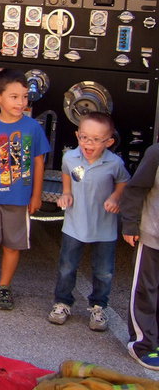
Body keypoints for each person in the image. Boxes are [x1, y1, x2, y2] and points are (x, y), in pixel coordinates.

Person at [0, 68, 49, 310]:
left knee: (13, 245)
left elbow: (38, 162)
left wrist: (36, 195)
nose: (21, 102)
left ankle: (4, 286)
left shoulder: (33, 128)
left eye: (25, 96)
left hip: (20, 198)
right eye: (14, 97)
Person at [47, 111, 129, 331]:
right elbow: (66, 173)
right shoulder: (70, 157)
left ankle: (98, 306)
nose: (88, 143)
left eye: (95, 139)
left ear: (109, 142)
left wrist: (115, 197)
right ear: (77, 135)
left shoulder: (114, 163)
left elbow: (123, 182)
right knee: (67, 266)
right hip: (74, 224)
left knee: (103, 271)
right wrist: (66, 192)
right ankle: (62, 302)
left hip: (104, 227)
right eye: (84, 137)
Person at [121, 142, 159, 370]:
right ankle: (142, 345)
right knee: (146, 289)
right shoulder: (156, 153)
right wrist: (130, 224)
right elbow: (135, 189)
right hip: (153, 235)